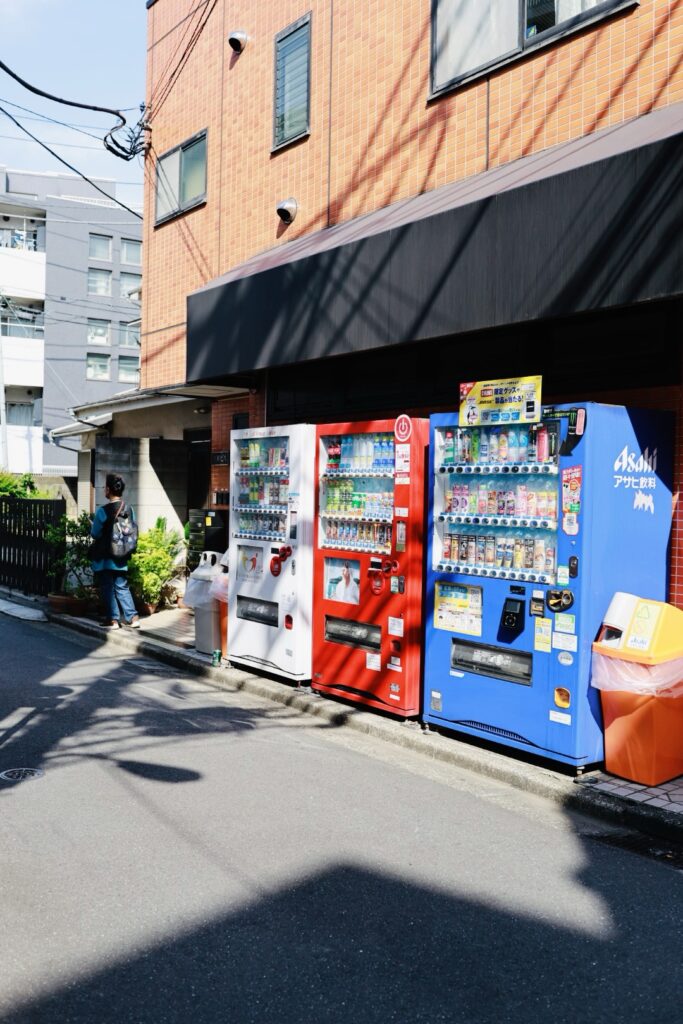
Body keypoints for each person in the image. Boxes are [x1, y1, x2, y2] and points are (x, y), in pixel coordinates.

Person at [90, 473, 140, 629]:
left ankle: (113, 620)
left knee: (108, 587)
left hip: (106, 555)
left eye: (105, 488)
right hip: (122, 554)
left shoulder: (102, 511)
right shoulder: (129, 509)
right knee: (122, 585)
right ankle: (133, 618)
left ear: (108, 490)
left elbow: (95, 533)